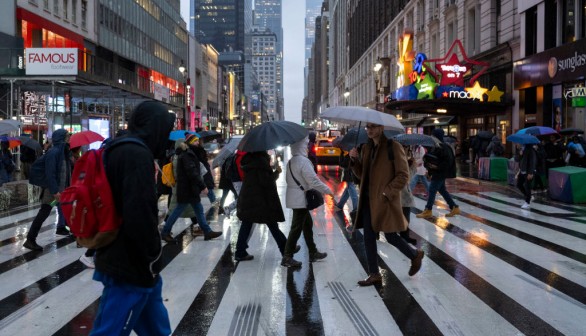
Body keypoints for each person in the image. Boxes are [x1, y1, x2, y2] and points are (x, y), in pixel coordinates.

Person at [89, 101, 175, 335]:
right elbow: (138, 212)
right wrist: (149, 257)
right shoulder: (135, 155)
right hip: (130, 263)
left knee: (156, 327)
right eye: (164, 130)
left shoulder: (121, 148)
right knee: (110, 330)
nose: (166, 137)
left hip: (130, 259)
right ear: (154, 127)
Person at [349, 123, 424, 286]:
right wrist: (354, 161)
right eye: (368, 127)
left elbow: (403, 175)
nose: (370, 130)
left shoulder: (393, 147)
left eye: (374, 127)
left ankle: (415, 255)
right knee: (368, 237)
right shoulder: (367, 148)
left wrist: (387, 192)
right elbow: (363, 175)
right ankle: (374, 273)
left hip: (385, 200)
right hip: (368, 200)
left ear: (382, 128)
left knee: (390, 235)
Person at [160, 134, 222, 243]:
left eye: (198, 141)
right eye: (195, 141)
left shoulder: (189, 153)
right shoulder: (187, 155)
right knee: (177, 211)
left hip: (190, 189)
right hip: (187, 189)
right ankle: (165, 232)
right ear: (189, 143)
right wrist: (203, 186)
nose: (198, 143)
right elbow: (192, 173)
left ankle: (207, 232)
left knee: (198, 210)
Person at [283, 137, 333, 268]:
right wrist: (328, 190)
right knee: (296, 227)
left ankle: (313, 251)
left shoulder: (291, 161)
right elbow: (313, 181)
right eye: (305, 145)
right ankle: (287, 256)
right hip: (300, 198)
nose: (306, 147)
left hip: (295, 197)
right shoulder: (303, 162)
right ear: (301, 147)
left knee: (307, 224)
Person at [234, 151, 291, 262]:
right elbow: (266, 181)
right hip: (260, 200)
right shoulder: (260, 161)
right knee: (272, 224)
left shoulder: (250, 159)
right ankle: (286, 249)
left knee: (248, 224)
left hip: (251, 198)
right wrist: (277, 172)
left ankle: (240, 252)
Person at [23, 129, 72, 251]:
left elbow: (64, 172)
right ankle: (30, 239)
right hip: (53, 193)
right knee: (44, 212)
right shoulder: (54, 153)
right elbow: (50, 173)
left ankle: (74, 233)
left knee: (67, 210)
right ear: (61, 138)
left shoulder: (63, 152)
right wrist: (55, 191)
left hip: (61, 191)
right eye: (67, 136)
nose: (69, 138)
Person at [417, 128, 461, 219]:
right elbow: (432, 159)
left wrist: (436, 167)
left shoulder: (444, 147)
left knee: (432, 190)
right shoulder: (436, 146)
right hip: (438, 172)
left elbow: (447, 162)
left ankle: (428, 210)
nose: (432, 137)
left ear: (437, 137)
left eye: (433, 136)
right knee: (442, 190)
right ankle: (454, 207)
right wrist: (429, 168)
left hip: (440, 173)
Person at [516, 143, 537, 209]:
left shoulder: (530, 150)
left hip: (528, 171)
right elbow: (516, 159)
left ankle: (527, 202)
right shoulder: (521, 150)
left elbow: (532, 162)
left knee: (528, 186)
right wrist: (520, 154)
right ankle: (529, 196)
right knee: (519, 184)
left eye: (517, 143)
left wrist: (531, 172)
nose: (517, 144)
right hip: (522, 170)